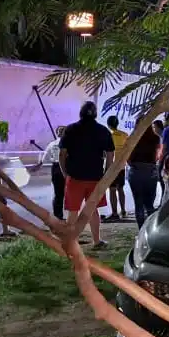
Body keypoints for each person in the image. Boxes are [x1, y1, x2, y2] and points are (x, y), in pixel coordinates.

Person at [59, 101, 115, 249]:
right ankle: (96, 240)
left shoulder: (71, 129)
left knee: (73, 211)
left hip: (75, 176)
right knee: (93, 210)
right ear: (95, 114)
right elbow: (110, 155)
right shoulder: (103, 131)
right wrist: (106, 174)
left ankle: (72, 242)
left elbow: (62, 154)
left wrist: (65, 172)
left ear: (81, 113)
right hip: (95, 177)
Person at [127, 119, 162, 227]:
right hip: (150, 171)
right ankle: (151, 230)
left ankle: (141, 231)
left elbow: (127, 158)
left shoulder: (132, 138)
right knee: (149, 205)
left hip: (136, 171)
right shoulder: (156, 138)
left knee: (139, 204)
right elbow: (157, 157)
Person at [41, 125, 67, 220]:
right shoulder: (68, 143)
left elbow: (45, 156)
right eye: (62, 130)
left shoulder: (52, 144)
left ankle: (58, 215)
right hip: (63, 167)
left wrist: (41, 163)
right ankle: (61, 215)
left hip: (56, 167)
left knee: (58, 192)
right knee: (63, 192)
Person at [105, 115, 128, 222]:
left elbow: (106, 153)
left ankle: (114, 213)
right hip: (122, 166)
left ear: (108, 125)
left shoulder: (108, 136)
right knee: (121, 189)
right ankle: (123, 210)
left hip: (112, 166)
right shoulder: (124, 135)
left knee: (112, 190)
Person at [152, 118, 166, 202]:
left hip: (163, 161)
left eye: (154, 127)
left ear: (158, 127)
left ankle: (162, 201)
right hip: (160, 161)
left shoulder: (162, 136)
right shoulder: (159, 137)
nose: (153, 129)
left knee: (162, 182)